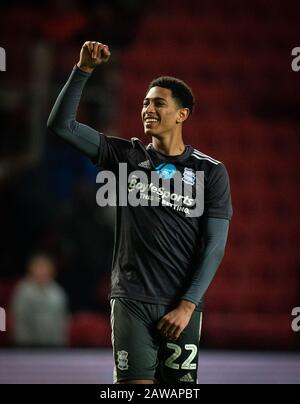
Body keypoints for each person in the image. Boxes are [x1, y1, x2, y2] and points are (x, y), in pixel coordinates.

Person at [47, 41, 233, 384]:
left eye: (158, 103)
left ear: (182, 114)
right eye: (144, 103)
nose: (147, 109)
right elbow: (62, 126)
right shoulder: (125, 156)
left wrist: (188, 305)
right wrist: (82, 70)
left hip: (182, 306)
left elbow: (215, 245)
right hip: (131, 300)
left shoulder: (211, 171)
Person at [11, 253, 69, 346]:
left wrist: (61, 344)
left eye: (45, 267)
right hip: (28, 345)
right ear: (31, 269)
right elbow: (20, 321)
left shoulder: (57, 292)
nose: (42, 271)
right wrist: (23, 345)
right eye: (38, 267)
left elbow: (62, 321)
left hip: (54, 345)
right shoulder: (23, 291)